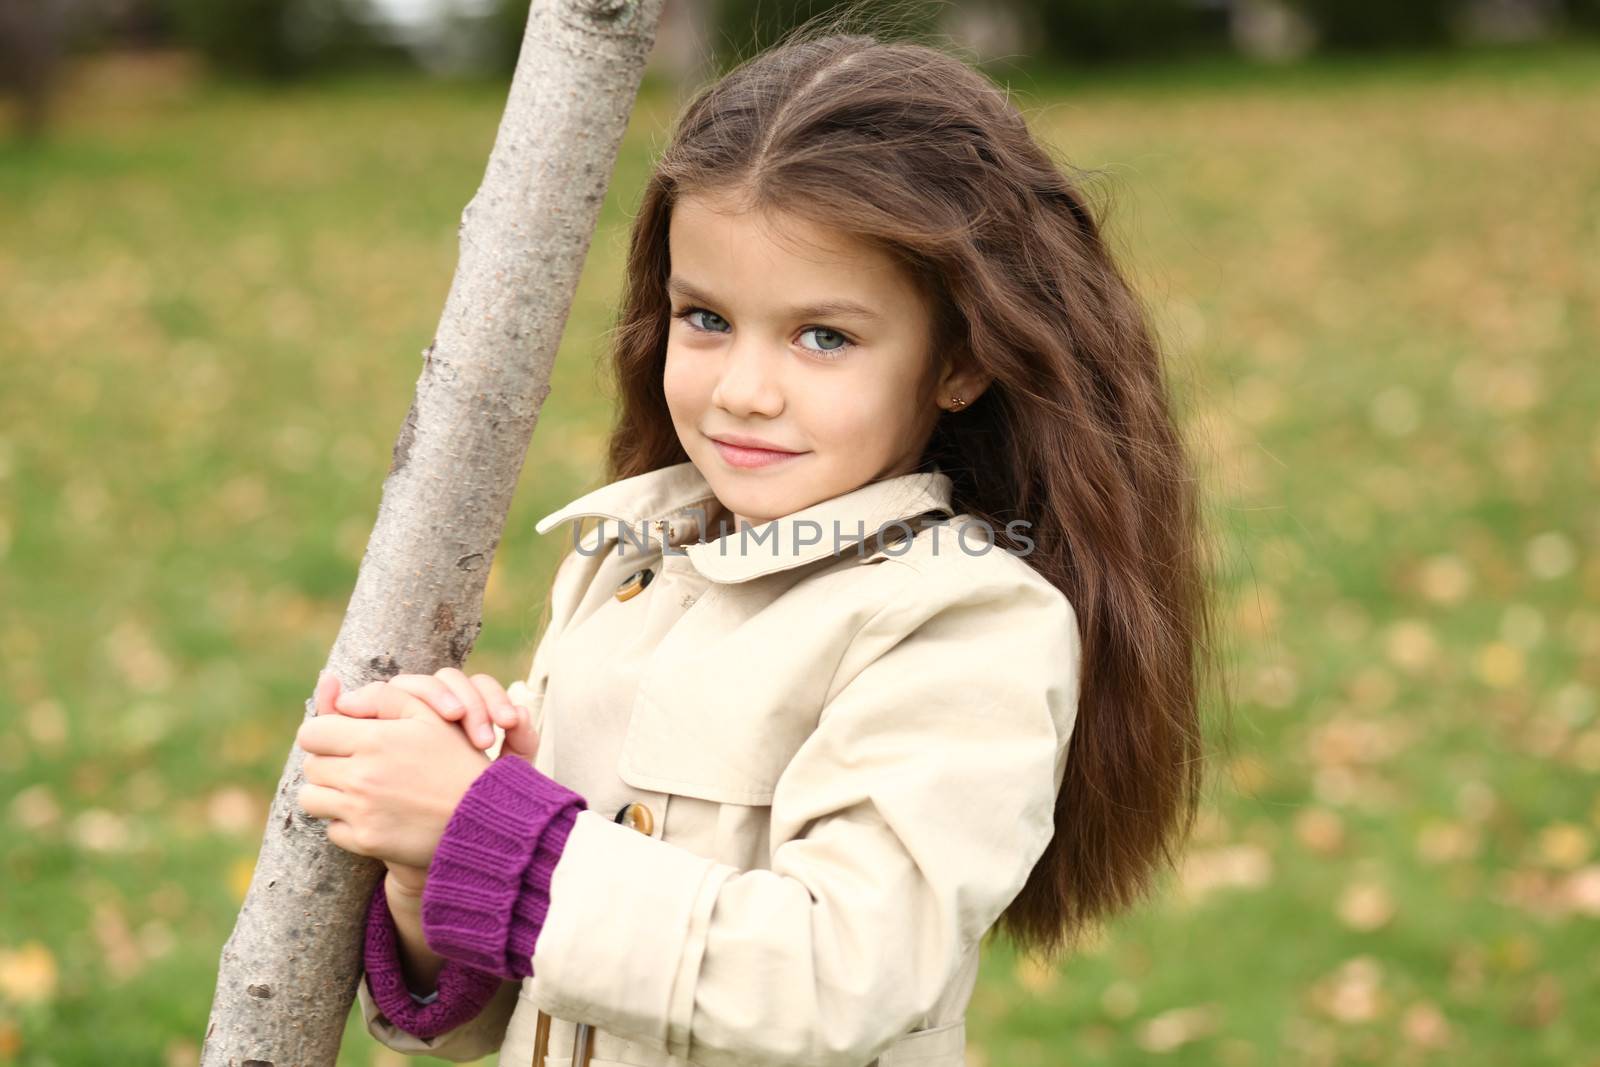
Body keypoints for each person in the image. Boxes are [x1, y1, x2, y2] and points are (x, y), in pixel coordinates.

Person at [295, 23, 1215, 1067]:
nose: (743, 389)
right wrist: (435, 867)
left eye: (824, 335)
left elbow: (839, 982)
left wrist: (490, 828)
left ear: (958, 360)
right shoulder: (627, 563)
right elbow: (527, 1002)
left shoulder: (964, 618)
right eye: (706, 318)